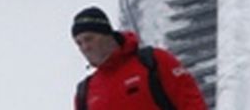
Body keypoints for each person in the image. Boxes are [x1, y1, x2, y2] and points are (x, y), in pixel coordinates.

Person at [70, 6, 207, 110]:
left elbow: (192, 104)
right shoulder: (85, 92)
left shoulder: (153, 61)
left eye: (89, 39)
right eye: (79, 43)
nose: (85, 47)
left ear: (107, 35)